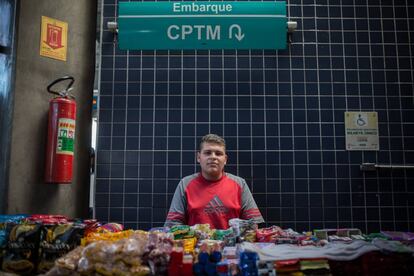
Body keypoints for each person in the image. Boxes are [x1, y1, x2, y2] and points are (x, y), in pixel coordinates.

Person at [165, 134, 264, 229]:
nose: (213, 157)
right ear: (198, 157)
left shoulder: (239, 184)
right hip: (197, 246)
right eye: (207, 153)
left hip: (232, 245)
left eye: (218, 153)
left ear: (225, 159)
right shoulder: (185, 184)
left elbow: (253, 223)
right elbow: (173, 224)